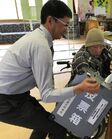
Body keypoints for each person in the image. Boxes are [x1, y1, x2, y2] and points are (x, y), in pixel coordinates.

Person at [0, 1, 100, 139]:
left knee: (45, 122)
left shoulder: (40, 39)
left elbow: (44, 83)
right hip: (6, 101)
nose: (67, 29)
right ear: (50, 20)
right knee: (57, 127)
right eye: (65, 24)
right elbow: (47, 95)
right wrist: (80, 88)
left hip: (17, 95)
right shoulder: (40, 46)